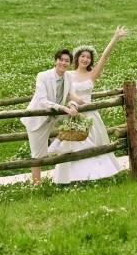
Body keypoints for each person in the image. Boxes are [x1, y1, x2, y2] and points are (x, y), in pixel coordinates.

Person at [50, 26, 129, 184]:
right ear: (77, 58)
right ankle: (73, 177)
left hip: (91, 114)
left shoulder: (92, 75)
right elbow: (64, 92)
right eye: (82, 56)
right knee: (73, 144)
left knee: (95, 145)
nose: (85, 59)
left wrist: (115, 38)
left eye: (88, 57)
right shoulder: (68, 75)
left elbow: (104, 58)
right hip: (74, 113)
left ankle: (97, 174)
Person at [21, 48, 79, 185]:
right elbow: (43, 100)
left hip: (55, 119)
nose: (63, 63)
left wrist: (73, 105)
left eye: (67, 61)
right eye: (61, 60)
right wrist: (64, 108)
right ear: (55, 61)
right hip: (37, 120)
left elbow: (71, 95)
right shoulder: (43, 76)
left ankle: (65, 178)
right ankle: (37, 185)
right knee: (37, 155)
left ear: (70, 64)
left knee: (71, 139)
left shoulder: (69, 77)